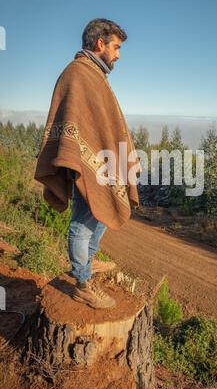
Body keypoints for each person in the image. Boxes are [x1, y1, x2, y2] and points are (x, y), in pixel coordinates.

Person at [34, 19, 141, 309]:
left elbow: (103, 124)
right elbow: (75, 123)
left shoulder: (93, 73)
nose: (119, 54)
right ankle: (82, 283)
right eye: (116, 47)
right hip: (82, 161)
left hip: (96, 160)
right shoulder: (79, 74)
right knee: (82, 222)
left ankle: (88, 262)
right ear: (100, 44)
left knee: (100, 214)